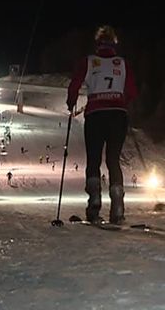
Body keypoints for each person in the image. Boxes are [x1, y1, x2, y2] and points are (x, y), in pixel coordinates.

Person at [66, 25, 138, 224]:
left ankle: (94, 202)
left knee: (94, 159)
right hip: (118, 114)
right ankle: (117, 206)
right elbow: (132, 91)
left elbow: (75, 84)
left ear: (98, 43)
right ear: (114, 43)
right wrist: (123, 101)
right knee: (113, 159)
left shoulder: (89, 62)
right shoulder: (122, 63)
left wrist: (71, 101)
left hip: (96, 114)